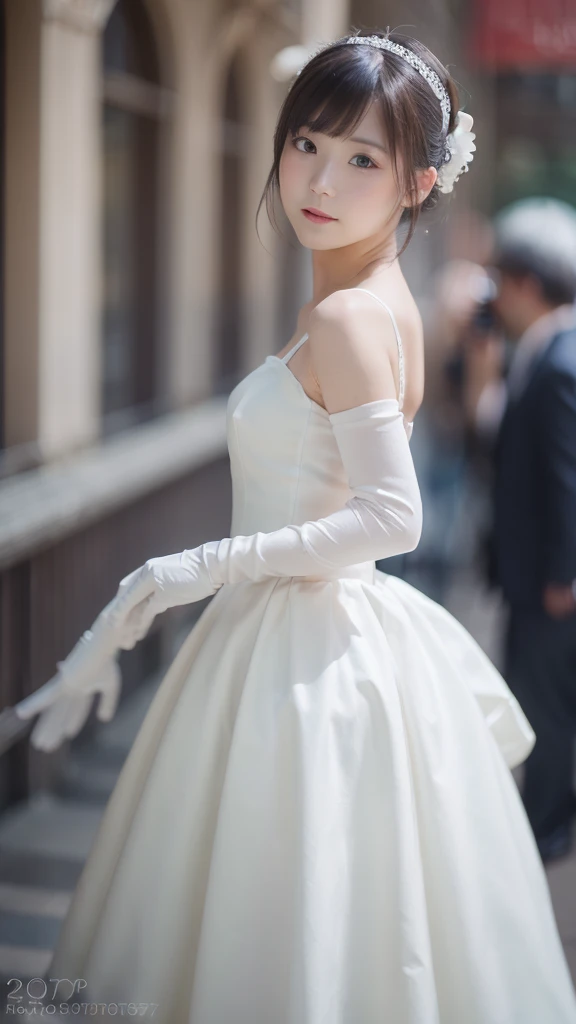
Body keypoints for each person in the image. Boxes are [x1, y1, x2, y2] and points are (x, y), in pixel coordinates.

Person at [14, 30, 576, 1024]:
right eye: (308, 143)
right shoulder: (372, 299)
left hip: (302, 652)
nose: (322, 178)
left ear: (417, 181)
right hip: (310, 636)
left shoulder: (352, 316)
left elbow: (392, 515)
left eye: (363, 158)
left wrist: (192, 565)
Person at [477, 198, 576, 864]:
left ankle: (548, 827)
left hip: (551, 584)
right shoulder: (545, 353)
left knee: (546, 707)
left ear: (526, 284)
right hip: (535, 575)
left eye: (500, 281)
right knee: (536, 697)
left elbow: (569, 481)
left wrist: (564, 576)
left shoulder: (560, 361)